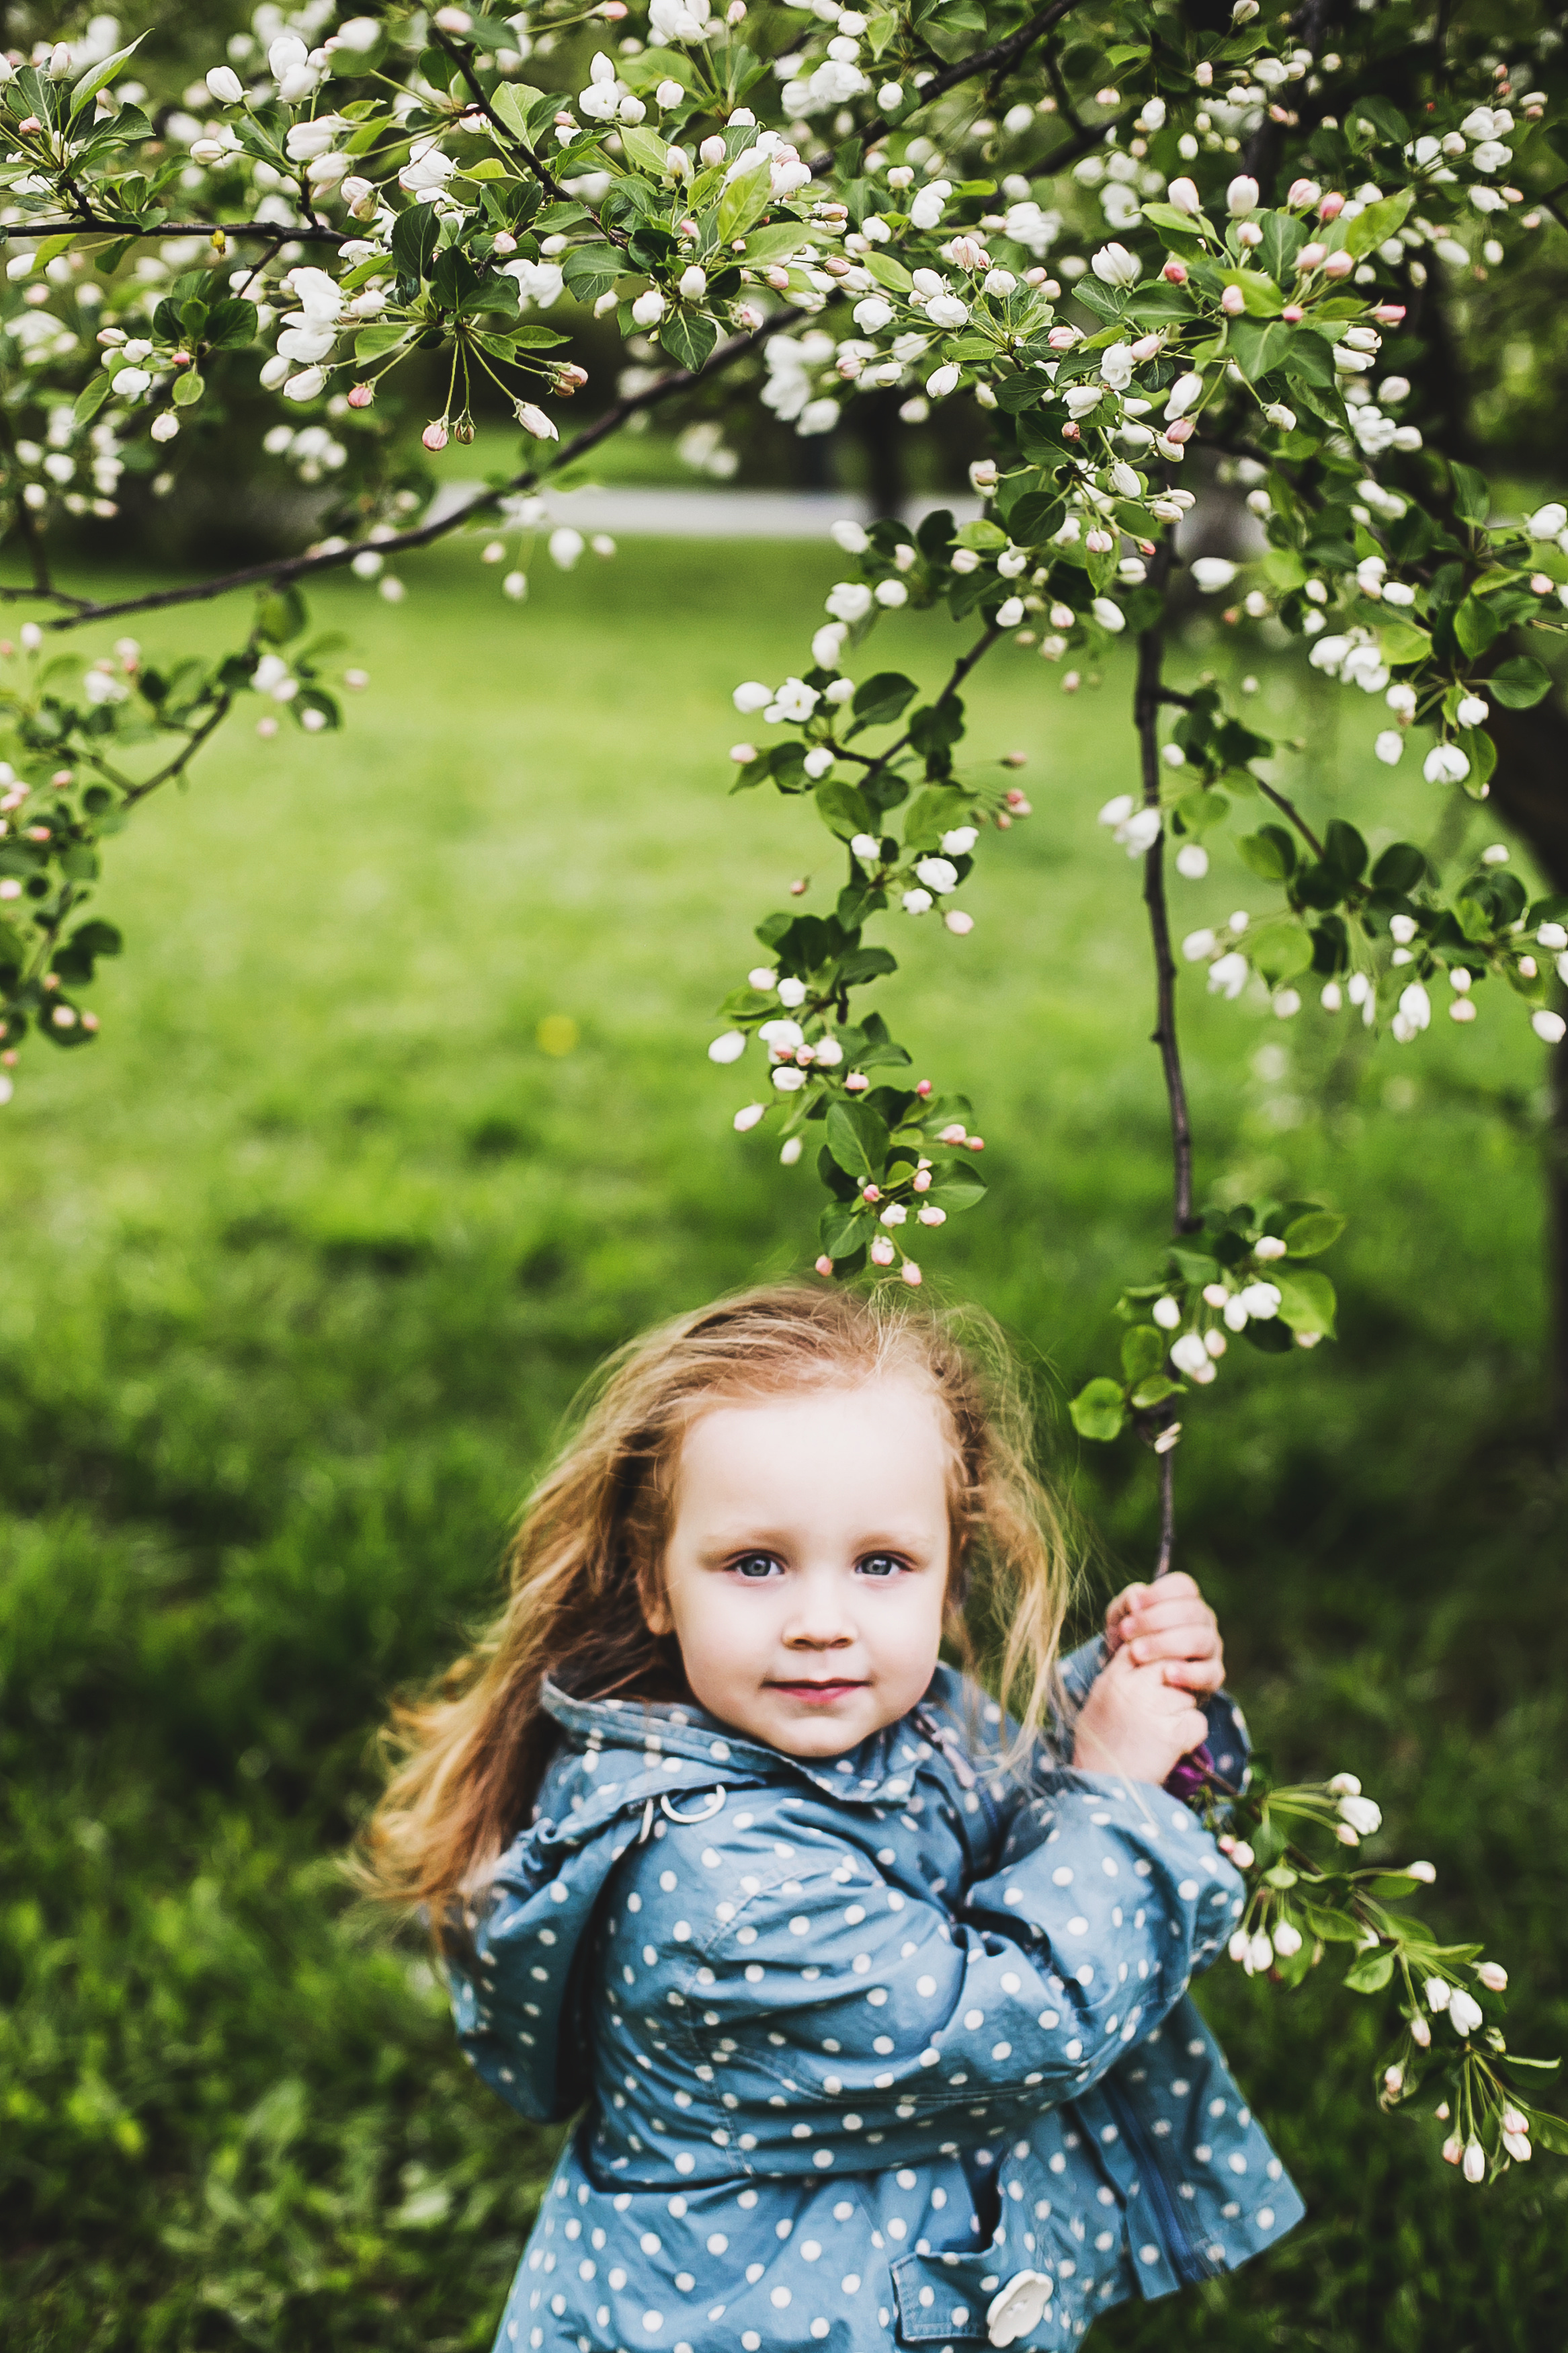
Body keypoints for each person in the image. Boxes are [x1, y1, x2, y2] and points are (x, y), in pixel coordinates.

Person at [359, 1284, 1303, 2352]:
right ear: (655, 1582)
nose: (820, 1624)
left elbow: (1021, 1820)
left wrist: (1121, 1703)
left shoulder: (909, 1712)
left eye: (881, 1565)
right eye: (755, 1564)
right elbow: (1017, 2024)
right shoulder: (722, 1888)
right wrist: (1119, 1790)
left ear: (950, 1579)